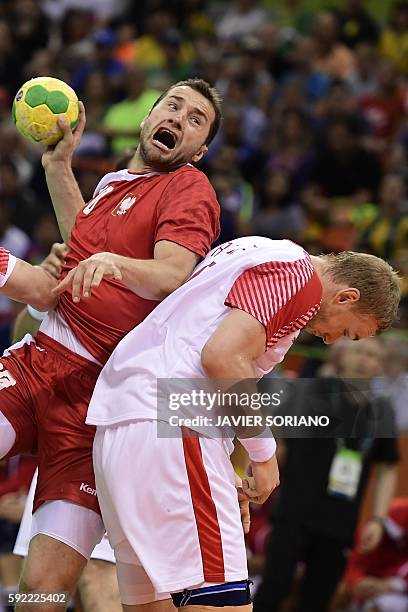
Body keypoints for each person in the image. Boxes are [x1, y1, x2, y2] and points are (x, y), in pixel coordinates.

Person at [73, 235, 400, 610]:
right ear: (347, 297)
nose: (331, 341)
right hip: (174, 421)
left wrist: (223, 470)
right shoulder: (299, 275)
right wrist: (264, 454)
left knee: (153, 604)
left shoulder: (254, 248)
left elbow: (204, 351)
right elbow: (222, 358)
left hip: (128, 423)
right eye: (347, 331)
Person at [0, 77, 223, 611]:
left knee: (45, 589)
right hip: (41, 365)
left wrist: (116, 264)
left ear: (200, 149)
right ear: (148, 117)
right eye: (173, 106)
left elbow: (172, 273)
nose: (180, 118)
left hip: (98, 408)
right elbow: (86, 240)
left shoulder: (189, 189)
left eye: (196, 119)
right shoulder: (113, 184)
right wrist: (58, 167)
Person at [254, 337, 400, 612]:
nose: (362, 359)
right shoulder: (310, 393)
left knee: (318, 600)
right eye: (357, 350)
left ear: (380, 365)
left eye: (371, 355)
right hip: (293, 512)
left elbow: (387, 468)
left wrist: (378, 520)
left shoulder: (382, 411)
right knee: (273, 590)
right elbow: (278, 441)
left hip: (339, 521)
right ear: (342, 355)